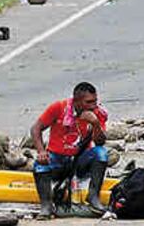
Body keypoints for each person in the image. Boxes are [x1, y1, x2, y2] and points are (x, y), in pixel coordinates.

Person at [31, 82, 110, 218]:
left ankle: (93, 197)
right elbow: (35, 129)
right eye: (89, 102)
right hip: (58, 158)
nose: (93, 105)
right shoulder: (59, 108)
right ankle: (46, 205)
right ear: (77, 102)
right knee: (39, 164)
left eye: (95, 101)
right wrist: (41, 151)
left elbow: (100, 142)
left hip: (80, 160)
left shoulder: (97, 113)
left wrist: (95, 124)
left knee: (101, 153)